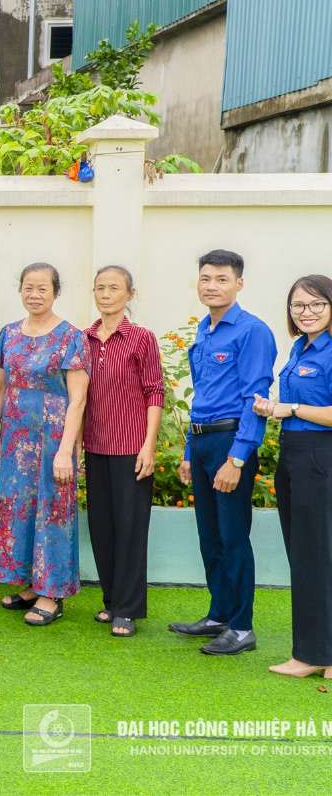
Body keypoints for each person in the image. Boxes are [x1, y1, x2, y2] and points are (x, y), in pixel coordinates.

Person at [170, 249, 275, 656]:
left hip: (231, 443)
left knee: (233, 537)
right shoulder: (205, 331)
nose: (212, 286)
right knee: (209, 536)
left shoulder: (252, 331)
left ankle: (242, 627)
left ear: (239, 284)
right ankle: (219, 614)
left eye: (221, 279)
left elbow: (255, 399)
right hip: (202, 441)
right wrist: (187, 450)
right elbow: (201, 397)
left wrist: (237, 459)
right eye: (206, 278)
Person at [0, 263, 89, 626]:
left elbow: (78, 399)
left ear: (55, 292)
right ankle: (30, 584)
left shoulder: (70, 337)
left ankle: (52, 593)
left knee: (53, 510)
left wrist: (66, 450)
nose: (34, 295)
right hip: (16, 438)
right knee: (18, 509)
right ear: (20, 290)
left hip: (52, 441)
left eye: (42, 288)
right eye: (28, 288)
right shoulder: (9, 334)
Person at [252, 275, 332, 677]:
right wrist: (273, 408)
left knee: (320, 556)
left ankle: (317, 655)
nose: (307, 313)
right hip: (295, 455)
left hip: (321, 457)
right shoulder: (300, 348)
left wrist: (293, 409)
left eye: (317, 304)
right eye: (299, 306)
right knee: (306, 557)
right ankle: (315, 653)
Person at [83, 266, 164, 637]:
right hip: (95, 447)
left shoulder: (141, 339)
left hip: (132, 448)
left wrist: (149, 445)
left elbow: (155, 392)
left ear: (130, 293)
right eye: (100, 287)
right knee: (102, 528)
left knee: (130, 529)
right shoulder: (84, 338)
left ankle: (128, 609)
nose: (106, 293)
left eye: (114, 288)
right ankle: (112, 599)